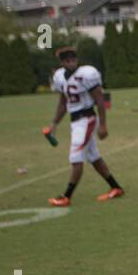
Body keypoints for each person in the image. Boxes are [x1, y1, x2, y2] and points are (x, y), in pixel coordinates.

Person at [46, 46, 124, 207]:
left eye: (73, 59)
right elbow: (63, 103)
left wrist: (103, 124)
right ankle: (115, 187)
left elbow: (100, 99)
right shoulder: (60, 77)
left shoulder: (86, 74)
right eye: (67, 60)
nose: (71, 63)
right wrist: (54, 123)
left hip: (87, 118)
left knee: (76, 157)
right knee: (93, 157)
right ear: (62, 62)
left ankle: (66, 196)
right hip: (75, 121)